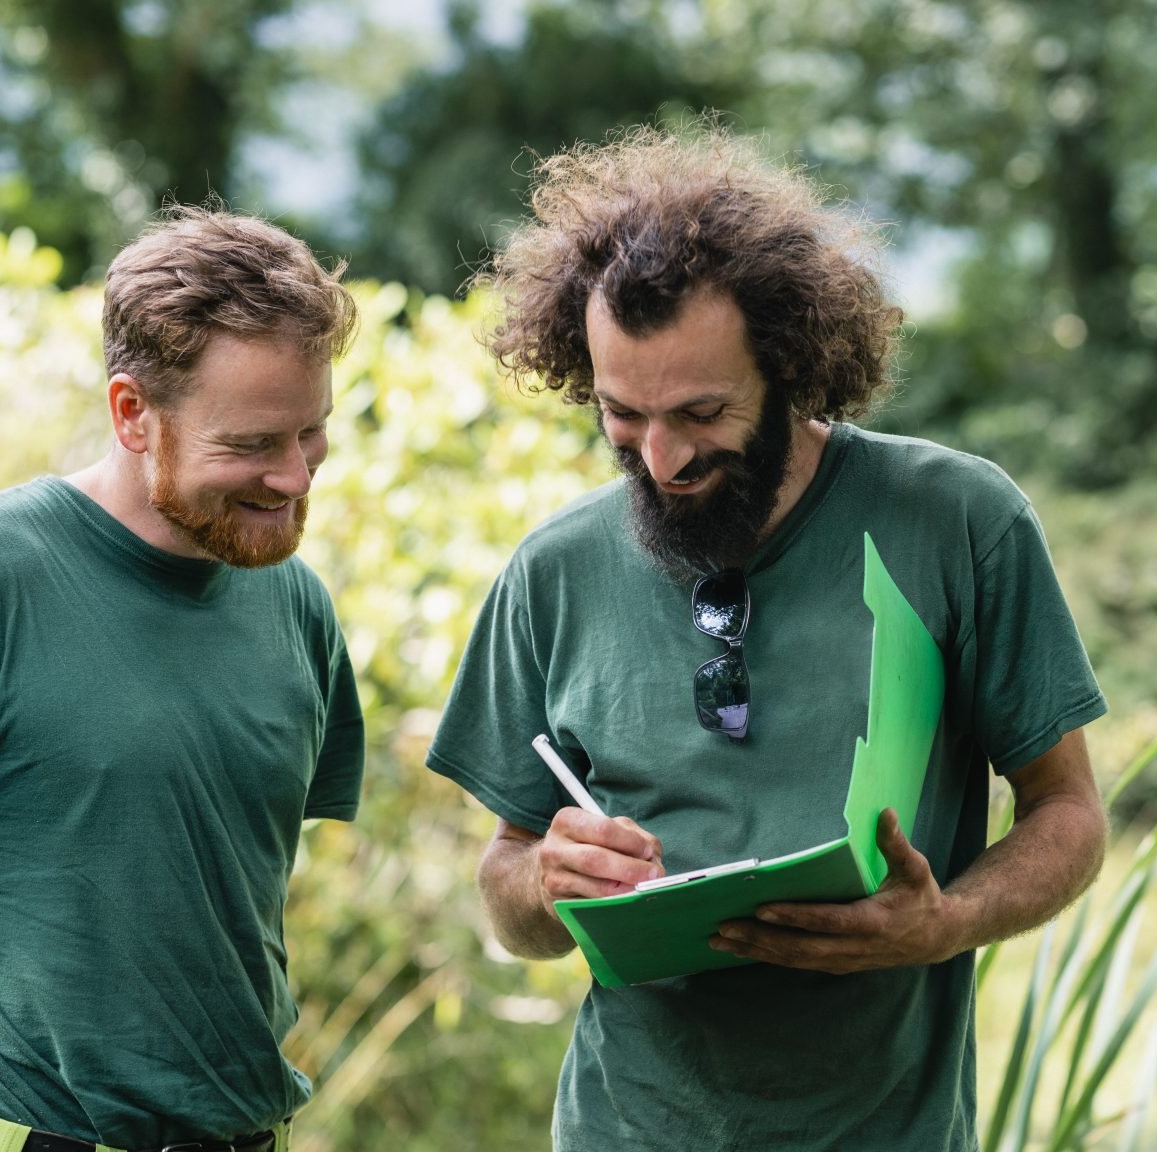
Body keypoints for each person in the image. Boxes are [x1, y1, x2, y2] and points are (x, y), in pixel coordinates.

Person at [426, 127, 1111, 1150]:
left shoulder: (958, 521)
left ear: (790, 367)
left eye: (701, 412)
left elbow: (1071, 815)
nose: (660, 458)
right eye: (622, 415)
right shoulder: (551, 572)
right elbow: (507, 892)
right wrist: (544, 882)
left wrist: (947, 923)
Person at [0, 206, 365, 1152]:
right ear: (133, 413)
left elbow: (202, 889)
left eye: (313, 432)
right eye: (254, 444)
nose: (296, 477)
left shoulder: (294, 604)